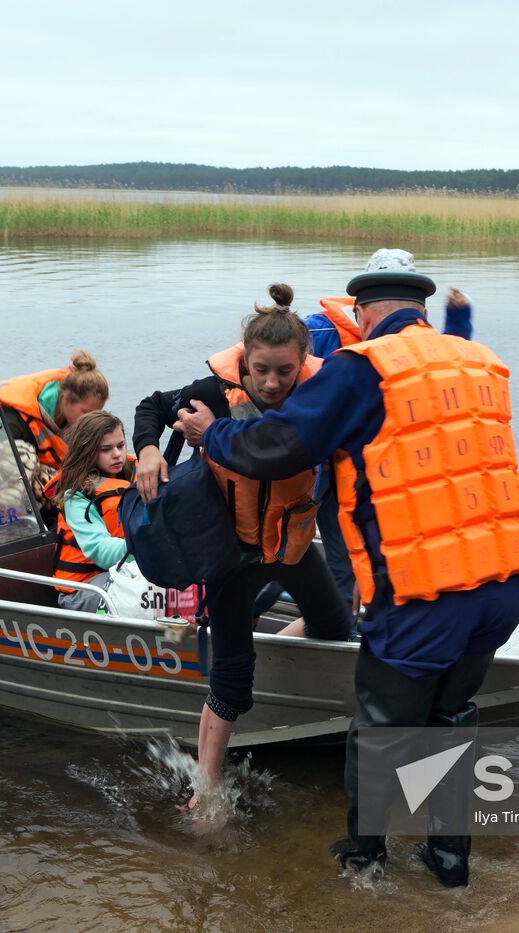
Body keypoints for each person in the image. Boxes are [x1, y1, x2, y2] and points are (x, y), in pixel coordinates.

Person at [178, 250, 519, 886]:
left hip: (425, 594)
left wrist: (212, 434)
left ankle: (365, 866)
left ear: (363, 311)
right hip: (505, 584)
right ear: (420, 309)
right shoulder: (475, 358)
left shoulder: (362, 368)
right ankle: (449, 866)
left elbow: (274, 446)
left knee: (379, 728)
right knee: (450, 716)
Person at [132, 283, 352, 807]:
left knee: (336, 623)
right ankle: (204, 790)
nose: (273, 382)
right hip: (231, 556)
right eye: (261, 371)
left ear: (305, 361)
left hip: (292, 544)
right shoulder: (213, 393)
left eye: (285, 371)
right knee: (232, 684)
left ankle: (265, 648)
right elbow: (153, 405)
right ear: (244, 363)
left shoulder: (319, 396)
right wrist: (145, 450)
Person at [302, 281, 476, 607]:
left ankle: (341, 621)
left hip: (346, 470)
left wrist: (458, 321)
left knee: (341, 553)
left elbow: (440, 370)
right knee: (289, 547)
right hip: (315, 467)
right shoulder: (320, 328)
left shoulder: (401, 343)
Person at [0, 350, 109, 510]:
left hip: (30, 484)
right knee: (24, 454)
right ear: (65, 398)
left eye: (97, 413)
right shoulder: (15, 419)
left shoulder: (72, 418)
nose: (90, 420)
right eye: (85, 413)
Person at [44, 411, 135, 613]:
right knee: (148, 592)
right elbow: (99, 549)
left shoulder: (138, 476)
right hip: (82, 590)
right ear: (87, 452)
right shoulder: (77, 496)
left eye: (120, 446)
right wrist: (146, 548)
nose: (117, 454)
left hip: (124, 570)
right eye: (106, 449)